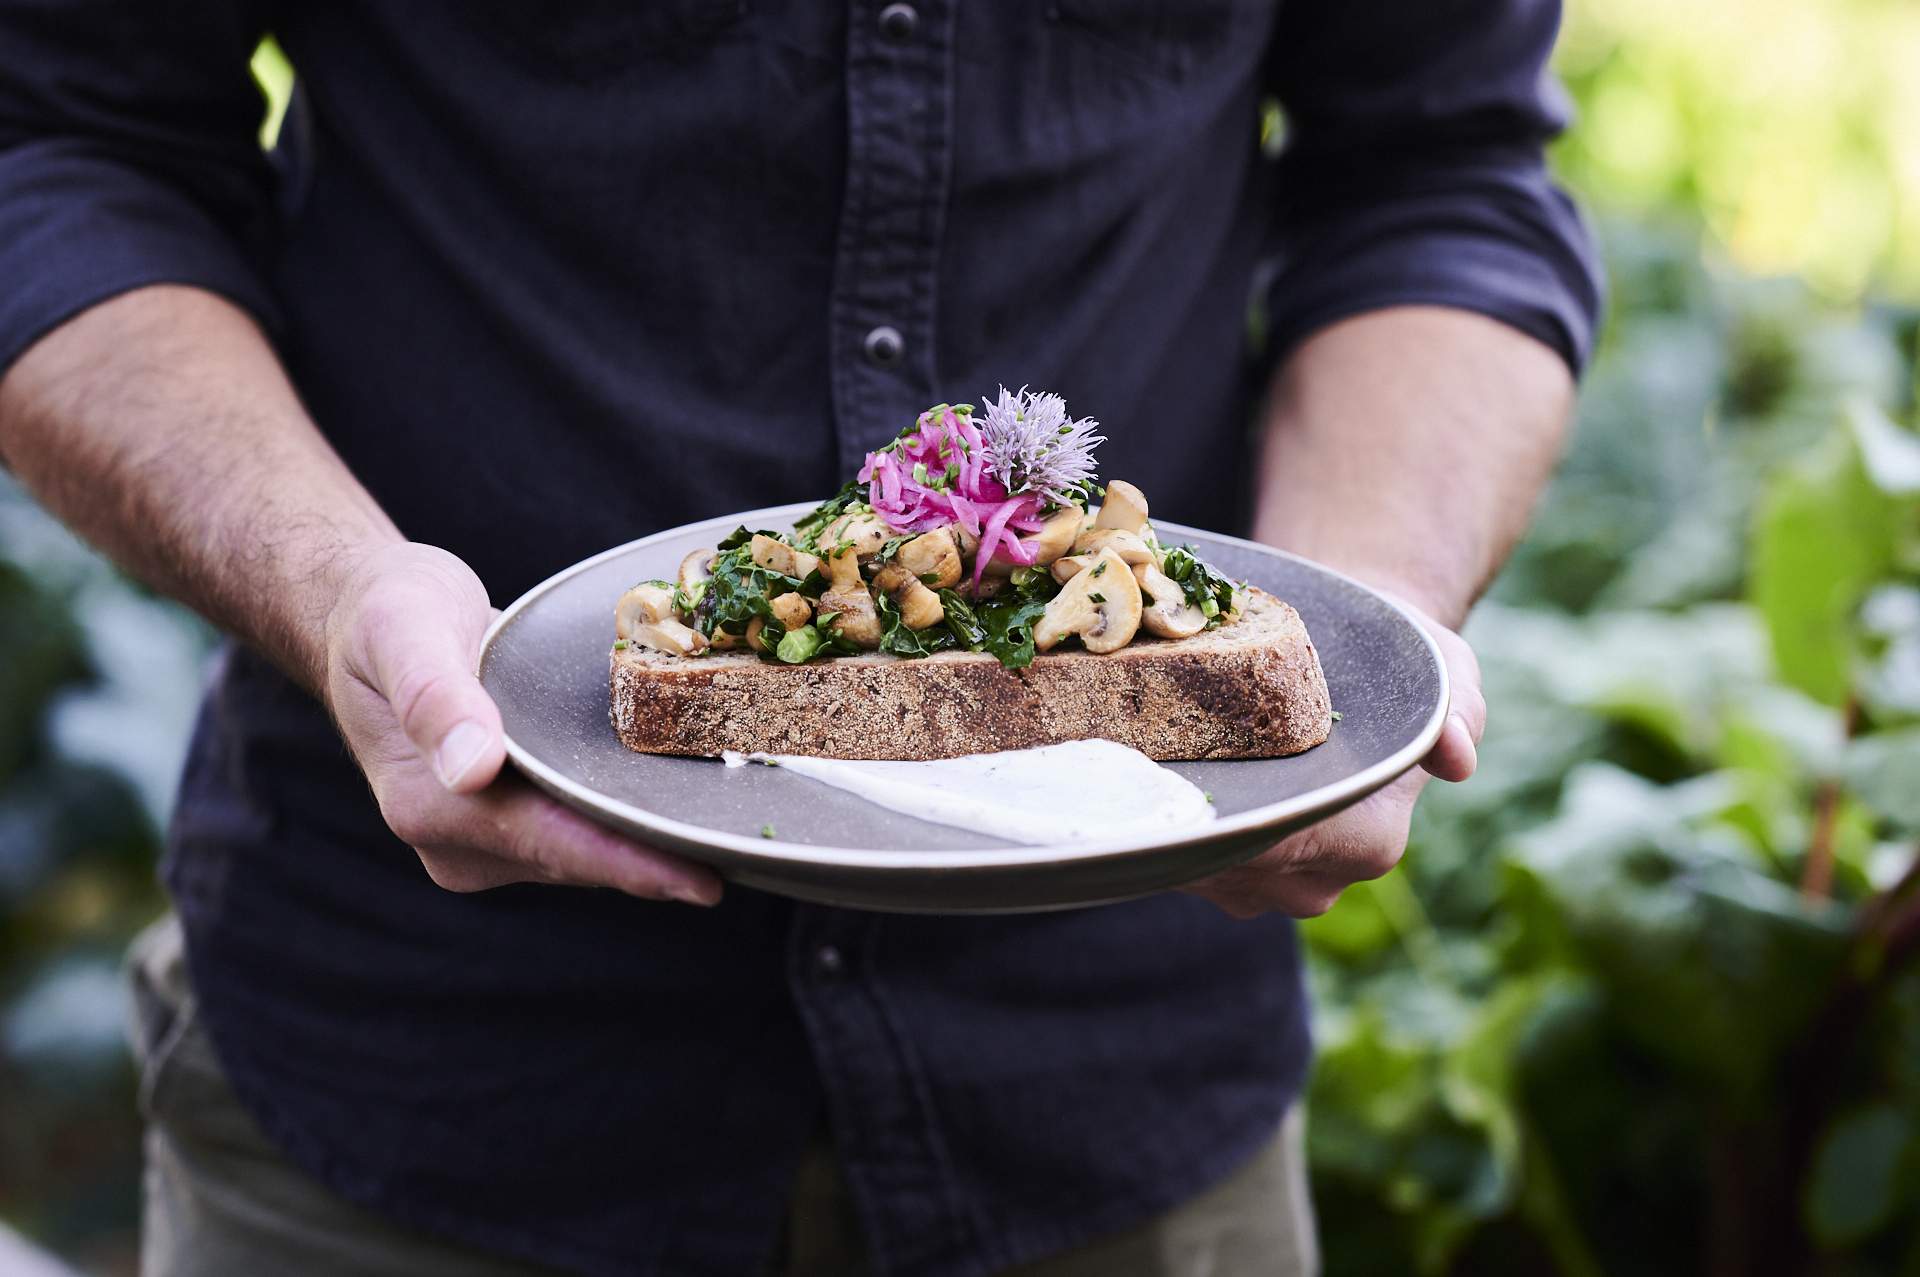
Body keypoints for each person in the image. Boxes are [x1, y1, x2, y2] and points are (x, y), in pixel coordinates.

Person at [0, 3, 1600, 1274]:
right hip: (418, 1071)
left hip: (1122, 1082)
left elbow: (1439, 170)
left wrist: (1346, 626)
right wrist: (340, 585)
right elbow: (61, 145)